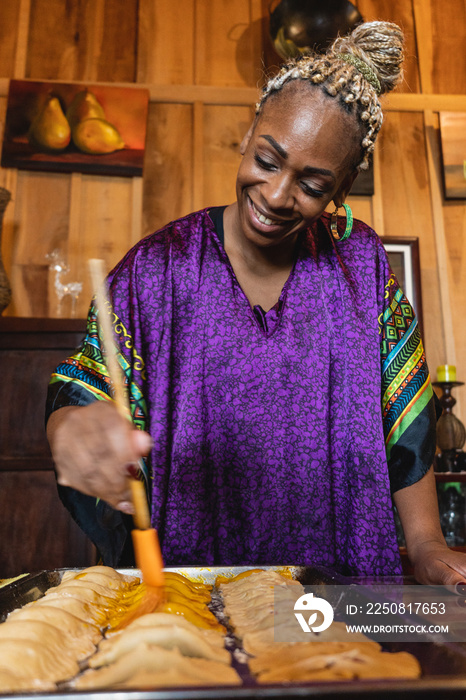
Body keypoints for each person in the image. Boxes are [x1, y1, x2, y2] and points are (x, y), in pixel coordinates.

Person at [46, 21, 466, 585]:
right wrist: (70, 430)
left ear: (340, 191)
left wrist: (426, 543)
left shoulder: (360, 265)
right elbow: (83, 393)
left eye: (312, 185)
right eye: (268, 160)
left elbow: (405, 416)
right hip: (192, 585)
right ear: (248, 136)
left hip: (339, 587)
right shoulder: (158, 268)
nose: (275, 195)